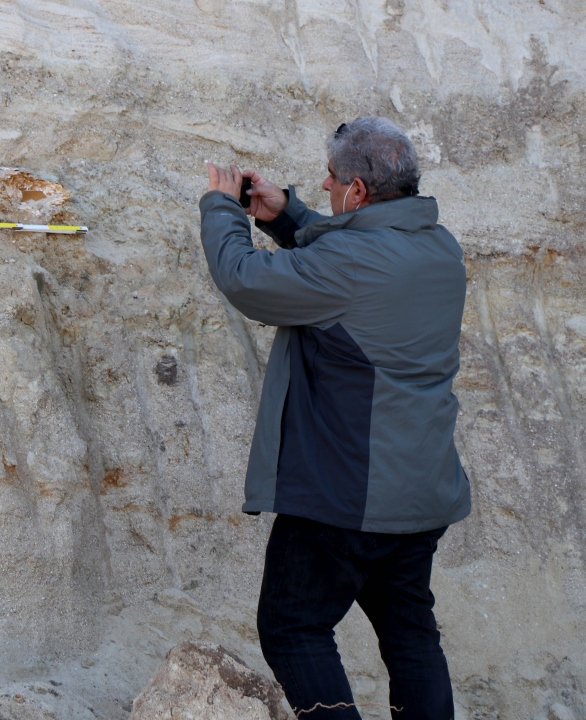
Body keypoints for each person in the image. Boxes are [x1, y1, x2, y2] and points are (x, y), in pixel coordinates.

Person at [199, 116, 470, 720]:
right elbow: (358, 253)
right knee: (409, 633)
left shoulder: (351, 263)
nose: (324, 186)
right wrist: (287, 215)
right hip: (420, 492)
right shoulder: (438, 246)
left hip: (348, 495)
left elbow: (245, 280)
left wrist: (225, 210)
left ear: (359, 192)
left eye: (332, 179)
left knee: (292, 626)